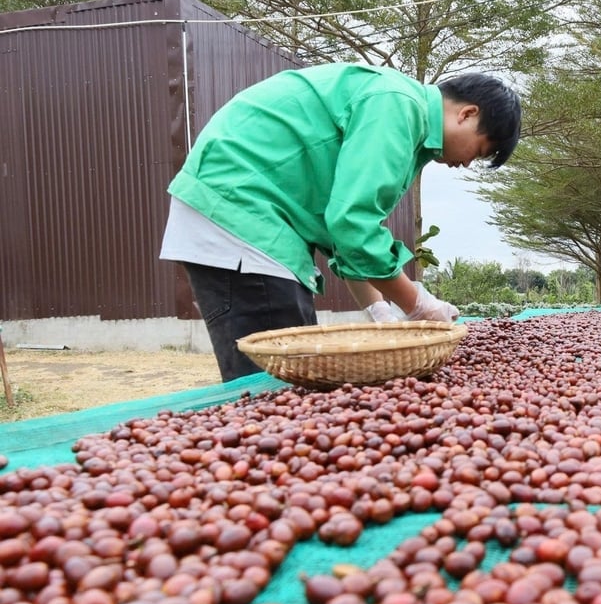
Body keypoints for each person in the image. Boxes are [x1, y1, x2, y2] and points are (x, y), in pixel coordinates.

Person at [160, 64, 521, 381]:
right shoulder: (397, 106)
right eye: (478, 151)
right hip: (241, 213)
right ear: (467, 114)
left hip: (243, 215)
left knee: (291, 373)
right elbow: (352, 226)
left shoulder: (399, 111)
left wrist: (379, 310)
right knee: (278, 383)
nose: (466, 164)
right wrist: (418, 305)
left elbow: (346, 239)